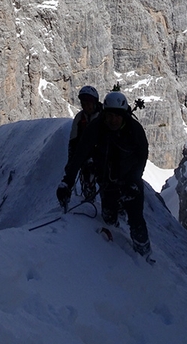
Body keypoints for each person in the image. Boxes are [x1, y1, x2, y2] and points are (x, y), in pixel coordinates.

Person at [56, 89, 151, 257]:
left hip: (130, 181)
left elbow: (142, 157)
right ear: (104, 114)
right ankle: (114, 243)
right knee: (108, 216)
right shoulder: (96, 128)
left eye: (116, 116)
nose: (112, 120)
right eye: (109, 116)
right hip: (108, 182)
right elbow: (79, 155)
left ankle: (143, 252)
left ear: (123, 116)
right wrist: (67, 182)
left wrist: (134, 181)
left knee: (136, 218)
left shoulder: (134, 130)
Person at [66, 85, 102, 201]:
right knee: (87, 174)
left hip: (103, 155)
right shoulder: (80, 118)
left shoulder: (104, 117)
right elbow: (73, 141)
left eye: (89, 103)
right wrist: (71, 162)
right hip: (86, 155)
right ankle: (89, 197)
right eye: (84, 103)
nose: (86, 106)